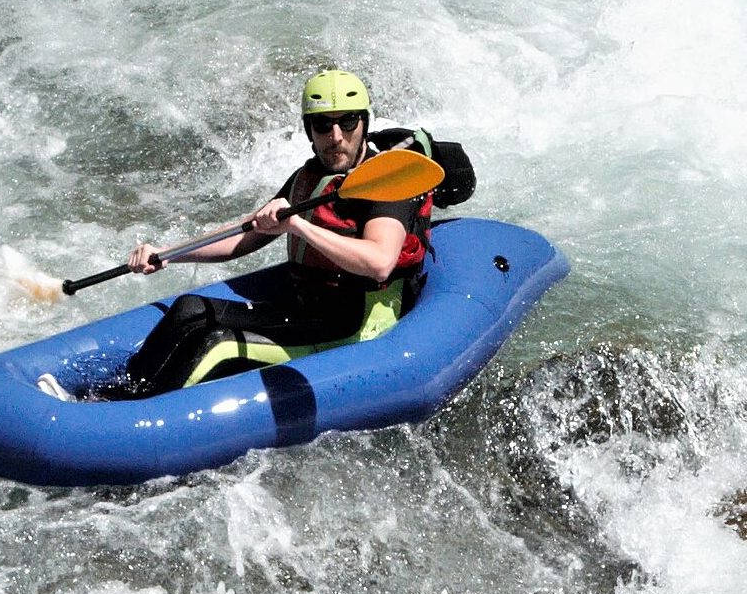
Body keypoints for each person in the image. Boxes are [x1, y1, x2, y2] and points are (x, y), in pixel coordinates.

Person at [39, 69, 475, 403]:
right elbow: (245, 237)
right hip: (307, 308)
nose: (336, 136)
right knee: (190, 309)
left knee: (216, 342)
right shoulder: (310, 177)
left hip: (353, 325)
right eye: (323, 126)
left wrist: (298, 225)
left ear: (364, 123)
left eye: (347, 123)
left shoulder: (387, 183)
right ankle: (114, 392)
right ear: (309, 131)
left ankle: (118, 414)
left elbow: (379, 260)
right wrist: (168, 254)